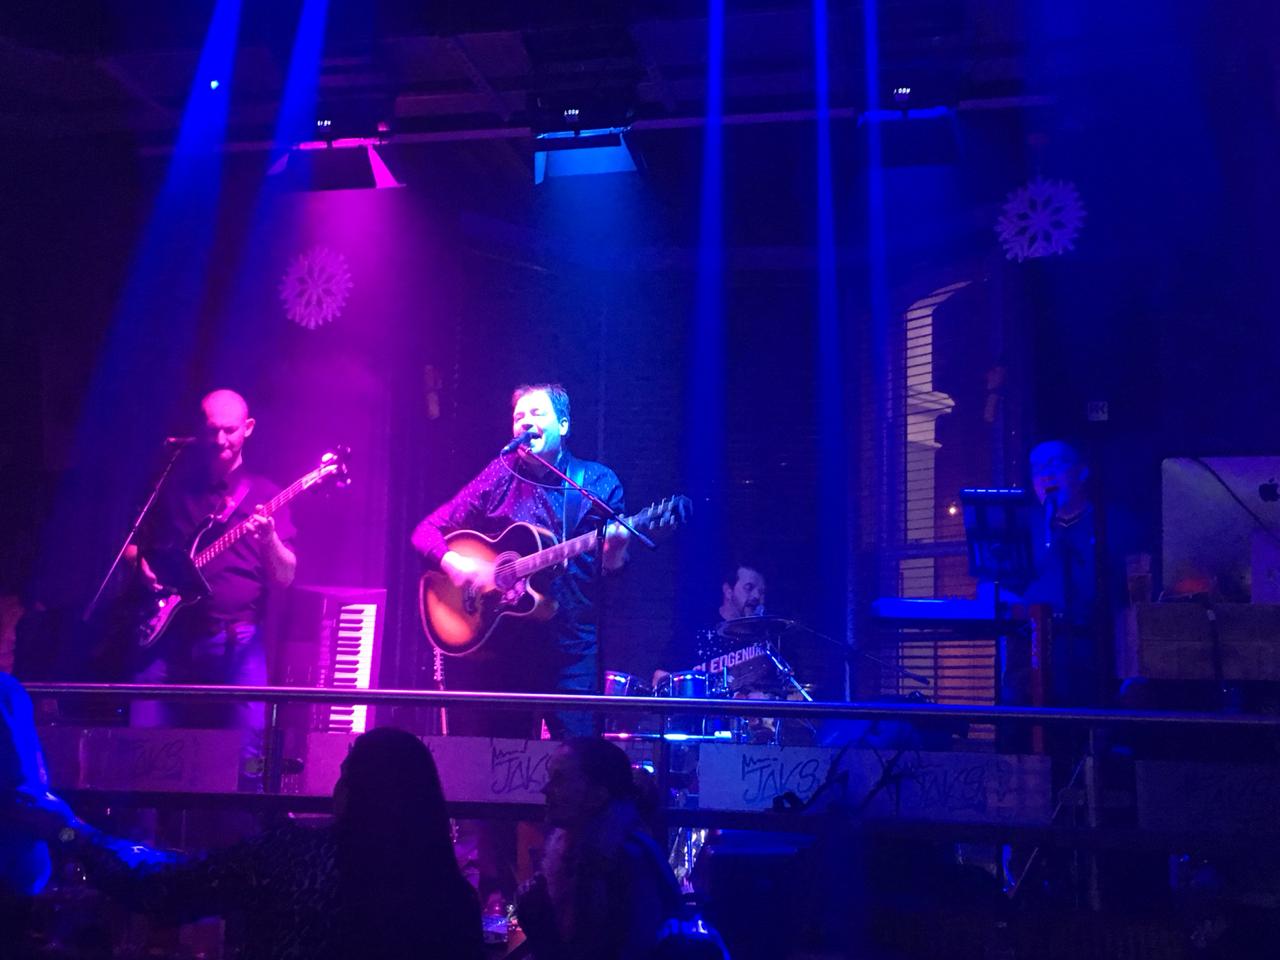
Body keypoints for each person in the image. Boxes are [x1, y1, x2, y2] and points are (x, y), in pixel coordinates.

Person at [4, 725, 484, 960]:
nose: (335, 790)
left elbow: (158, 885)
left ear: (356, 791)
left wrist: (68, 830)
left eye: (344, 777)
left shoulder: (292, 860)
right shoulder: (453, 900)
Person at [412, 383, 630, 740]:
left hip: (571, 650)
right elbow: (426, 531)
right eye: (518, 417)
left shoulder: (597, 482)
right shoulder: (500, 475)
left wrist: (615, 551)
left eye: (537, 413)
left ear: (563, 425)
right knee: (498, 758)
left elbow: (613, 573)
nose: (525, 422)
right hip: (504, 650)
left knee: (581, 758)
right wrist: (454, 563)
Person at [128, 389, 297, 771]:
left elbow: (285, 576)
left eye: (229, 430)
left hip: (236, 640)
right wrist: (141, 566)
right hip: (167, 636)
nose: (220, 439)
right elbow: (129, 545)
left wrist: (269, 539)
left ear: (248, 428)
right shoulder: (171, 487)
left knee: (246, 760)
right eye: (211, 430)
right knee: (143, 752)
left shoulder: (265, 494)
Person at [515, 737, 702, 960]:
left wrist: (541, 928)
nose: (546, 789)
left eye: (559, 780)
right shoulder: (584, 851)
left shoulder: (624, 862)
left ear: (597, 795)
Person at [652, 562, 768, 691]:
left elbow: (777, 687)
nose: (756, 596)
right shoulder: (696, 629)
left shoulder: (765, 637)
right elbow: (660, 676)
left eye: (761, 592)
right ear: (728, 591)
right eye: (749, 588)